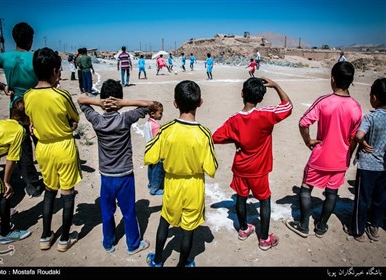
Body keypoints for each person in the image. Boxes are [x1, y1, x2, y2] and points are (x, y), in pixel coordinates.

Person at [212, 77, 292, 250]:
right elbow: (288, 106)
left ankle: (243, 229)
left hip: (241, 167)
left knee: (241, 197)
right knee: (264, 200)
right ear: (261, 98)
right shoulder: (266, 115)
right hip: (259, 169)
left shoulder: (234, 120)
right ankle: (264, 239)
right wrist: (277, 85)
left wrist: (236, 140)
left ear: (242, 93)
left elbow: (216, 137)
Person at [285, 61, 362, 239]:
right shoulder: (356, 107)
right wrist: (348, 156)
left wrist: (308, 141)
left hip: (320, 156)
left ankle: (303, 225)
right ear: (351, 81)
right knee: (332, 192)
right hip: (340, 159)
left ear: (332, 79)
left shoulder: (324, 101)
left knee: (306, 187)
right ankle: (321, 226)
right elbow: (354, 138)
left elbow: (303, 123)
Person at [145, 80, 218, 267]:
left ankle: (158, 260)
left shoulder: (166, 129)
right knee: (188, 228)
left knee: (165, 221)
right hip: (193, 185)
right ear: (200, 102)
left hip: (172, 183)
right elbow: (211, 168)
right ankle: (183, 264)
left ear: (175, 103)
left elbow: (150, 156)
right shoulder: (204, 133)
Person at [78, 79, 152, 254]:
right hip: (125, 174)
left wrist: (99, 103)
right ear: (120, 100)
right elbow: (149, 105)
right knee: (128, 211)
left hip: (106, 175)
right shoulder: (125, 118)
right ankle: (133, 244)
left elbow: (81, 101)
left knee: (107, 211)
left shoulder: (96, 120)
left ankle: (108, 242)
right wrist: (123, 104)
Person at [24, 47, 82, 252]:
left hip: (43, 148)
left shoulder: (28, 96)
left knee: (49, 191)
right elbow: (75, 119)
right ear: (56, 70)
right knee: (68, 193)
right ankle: (64, 239)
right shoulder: (61, 94)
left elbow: (31, 121)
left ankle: (45, 236)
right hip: (63, 146)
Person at [0, 21, 44, 198]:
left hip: (16, 107)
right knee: (41, 141)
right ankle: (49, 176)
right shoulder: (34, 58)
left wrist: (2, 85)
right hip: (36, 105)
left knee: (22, 146)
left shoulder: (4, 57)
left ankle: (32, 185)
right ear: (30, 39)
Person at [0, 98, 32, 244]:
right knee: (4, 194)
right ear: (27, 117)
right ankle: (6, 232)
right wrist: (6, 181)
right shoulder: (19, 131)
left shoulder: (2, 124)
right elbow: (11, 159)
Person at [349, 78, 386, 242]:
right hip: (383, 166)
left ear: (375, 98)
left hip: (367, 165)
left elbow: (358, 135)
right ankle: (375, 227)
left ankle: (358, 230)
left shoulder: (370, 118)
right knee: (380, 198)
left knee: (362, 198)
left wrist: (362, 143)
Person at [143, 101, 164, 196]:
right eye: (160, 113)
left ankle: (150, 184)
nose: (161, 115)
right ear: (152, 113)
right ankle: (155, 189)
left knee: (151, 168)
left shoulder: (147, 124)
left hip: (149, 149)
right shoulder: (156, 126)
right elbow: (158, 139)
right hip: (156, 151)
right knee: (158, 170)